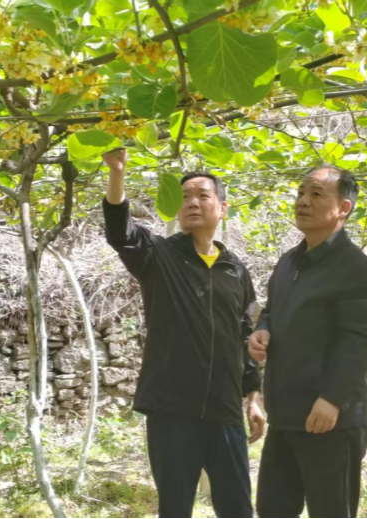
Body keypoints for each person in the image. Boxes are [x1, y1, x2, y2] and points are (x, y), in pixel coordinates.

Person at [102, 149, 265, 518]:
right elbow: (120, 232)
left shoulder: (236, 270)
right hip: (172, 409)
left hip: (224, 408)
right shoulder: (158, 255)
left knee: (238, 507)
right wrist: (117, 173)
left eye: (202, 195)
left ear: (222, 208)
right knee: (175, 508)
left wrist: (254, 397)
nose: (192, 202)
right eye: (185, 197)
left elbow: (245, 333)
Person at [249, 166, 367, 519]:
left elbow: (359, 341)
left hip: (331, 419)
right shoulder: (288, 262)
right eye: (300, 193)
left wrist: (332, 399)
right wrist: (263, 331)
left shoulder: (357, 270)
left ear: (343, 208)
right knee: (272, 510)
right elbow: (271, 311)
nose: (303, 201)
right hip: (285, 415)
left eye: (315, 194)